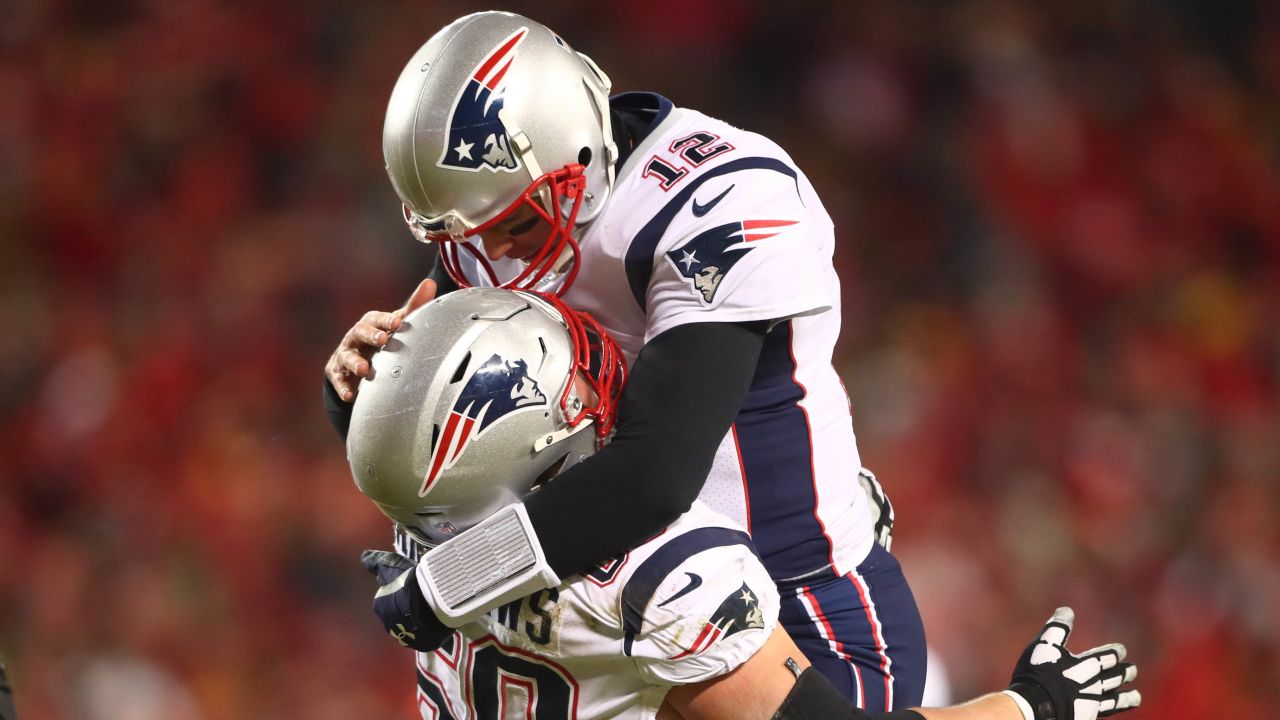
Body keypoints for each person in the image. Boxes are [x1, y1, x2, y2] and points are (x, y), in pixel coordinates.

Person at [325, 10, 924, 709]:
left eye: (517, 223)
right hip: (609, 604)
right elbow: (444, 447)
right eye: (474, 236)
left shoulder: (719, 199)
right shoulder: (490, 223)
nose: (502, 254)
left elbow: (654, 477)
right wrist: (360, 390)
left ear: (570, 143)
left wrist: (452, 579)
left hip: (791, 604)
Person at [346, 287, 1141, 720]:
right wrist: (1027, 707)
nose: (598, 380)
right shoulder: (658, 576)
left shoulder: (430, 534)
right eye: (574, 381)